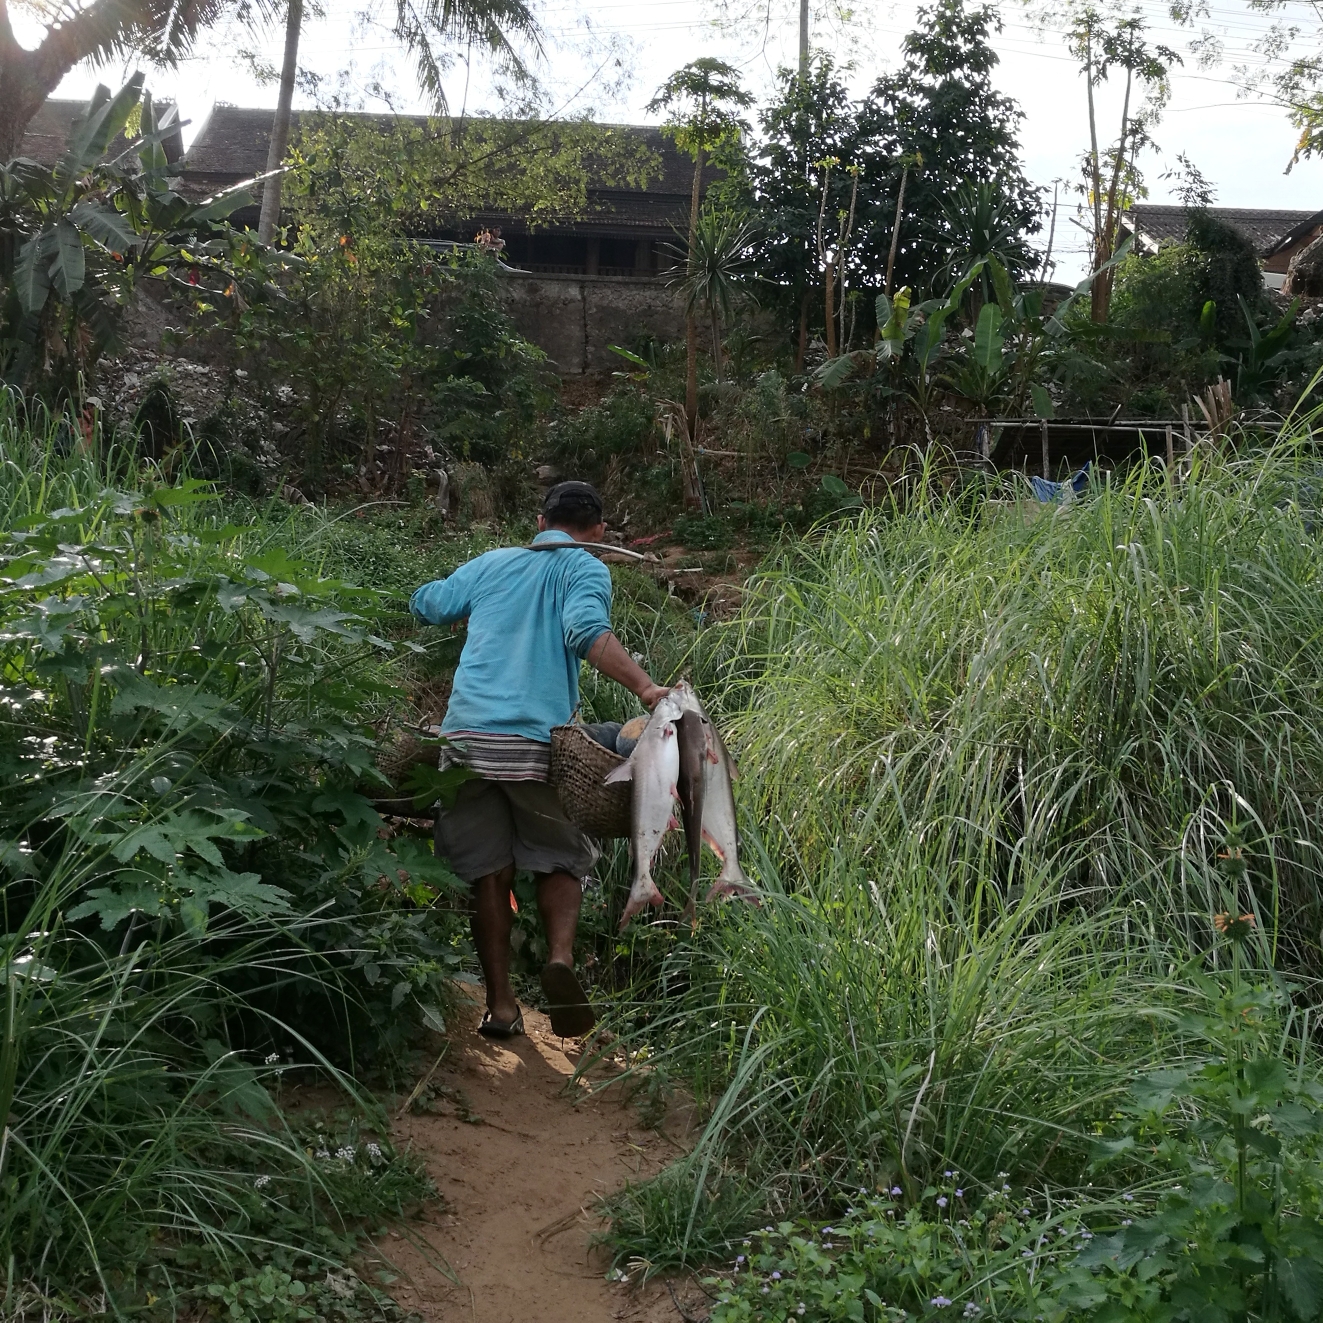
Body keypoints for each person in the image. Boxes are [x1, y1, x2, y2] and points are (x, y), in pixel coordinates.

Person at [409, 481, 668, 1040]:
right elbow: (585, 632)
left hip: (465, 744)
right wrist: (647, 690)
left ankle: (501, 1006)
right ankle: (559, 959)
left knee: (486, 871)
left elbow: (429, 604)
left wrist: (446, 601)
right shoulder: (584, 568)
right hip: (532, 745)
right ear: (597, 531)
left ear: (540, 520)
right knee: (561, 858)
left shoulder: (491, 564)